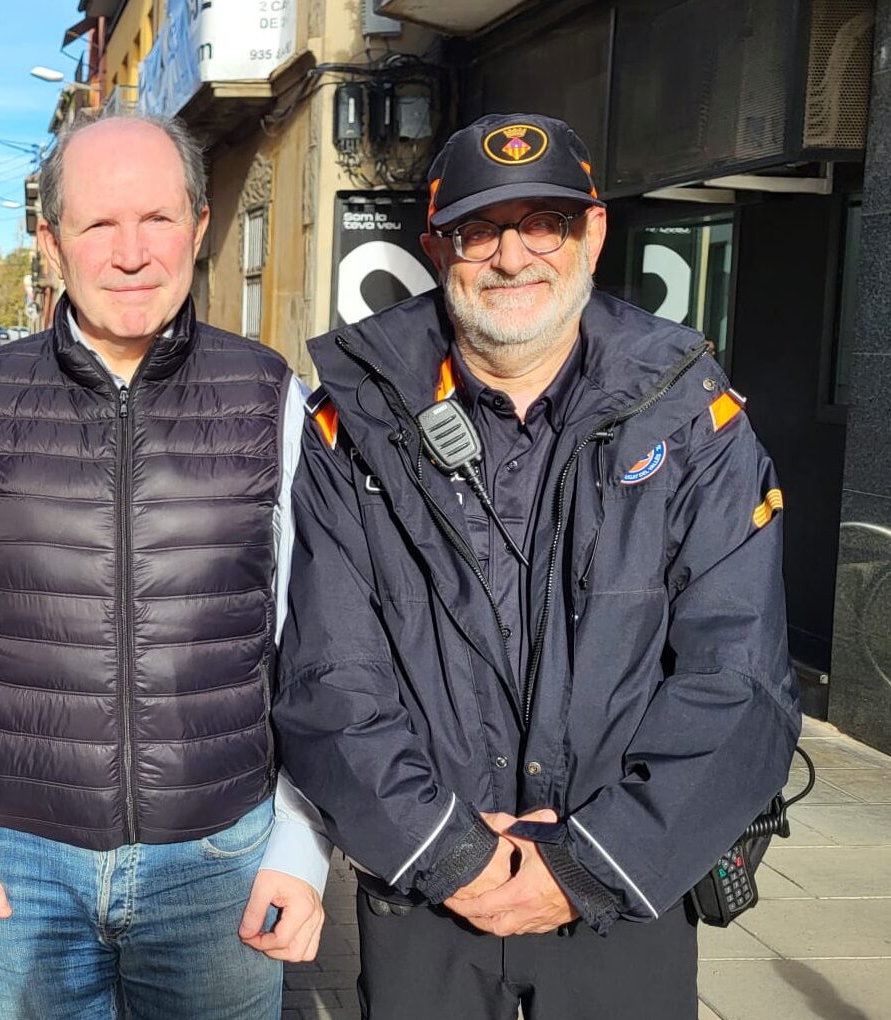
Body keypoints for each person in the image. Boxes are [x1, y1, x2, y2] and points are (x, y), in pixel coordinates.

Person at [276, 113, 801, 1019]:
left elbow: (742, 678)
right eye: (480, 229)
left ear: (591, 234)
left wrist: (584, 868)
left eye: (543, 223)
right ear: (436, 246)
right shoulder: (348, 427)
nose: (512, 256)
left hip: (626, 890)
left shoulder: (694, 423)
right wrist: (447, 856)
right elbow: (328, 674)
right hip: (432, 892)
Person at [0, 111, 332, 1020]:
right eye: (99, 224)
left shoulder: (272, 400)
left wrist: (301, 848)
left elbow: (319, 644)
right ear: (51, 242)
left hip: (220, 858)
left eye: (158, 219)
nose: (132, 253)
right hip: (19, 859)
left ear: (199, 227)